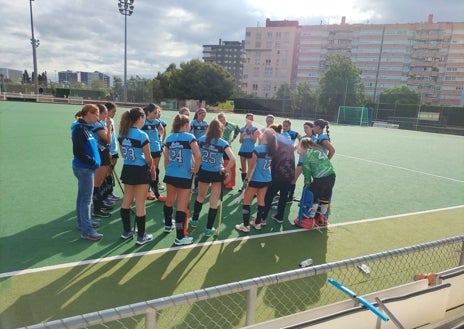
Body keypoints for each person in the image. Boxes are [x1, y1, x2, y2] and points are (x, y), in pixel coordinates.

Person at [190, 119, 236, 236]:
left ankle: (194, 221)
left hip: (204, 171)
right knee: (213, 202)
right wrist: (225, 170)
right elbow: (233, 159)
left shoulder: (201, 140)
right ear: (220, 130)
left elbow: (194, 155)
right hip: (217, 173)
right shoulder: (223, 142)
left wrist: (197, 166)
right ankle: (208, 228)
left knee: (200, 197)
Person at [163, 114, 201, 245]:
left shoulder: (169, 138)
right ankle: (179, 237)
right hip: (184, 175)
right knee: (181, 206)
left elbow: (166, 159)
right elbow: (198, 155)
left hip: (170, 173)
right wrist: (195, 169)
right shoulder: (190, 137)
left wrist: (169, 169)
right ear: (185, 125)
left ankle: (168, 225)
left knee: (169, 201)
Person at [118, 107, 153, 245]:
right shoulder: (142, 135)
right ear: (140, 118)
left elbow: (123, 154)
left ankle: (126, 232)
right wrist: (150, 166)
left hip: (127, 169)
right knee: (140, 204)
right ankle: (141, 236)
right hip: (140, 170)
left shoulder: (122, 134)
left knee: (126, 201)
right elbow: (149, 159)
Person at [71, 104, 103, 241]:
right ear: (89, 113)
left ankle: (84, 223)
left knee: (82, 198)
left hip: (86, 168)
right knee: (86, 200)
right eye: (96, 115)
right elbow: (78, 152)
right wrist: (92, 161)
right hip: (84, 168)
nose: (98, 118)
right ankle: (87, 231)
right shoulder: (79, 129)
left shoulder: (86, 128)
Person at [235, 129, 277, 233]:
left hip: (255, 179)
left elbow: (252, 166)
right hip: (266, 179)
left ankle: (245, 226)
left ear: (265, 137)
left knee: (246, 202)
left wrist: (247, 179)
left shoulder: (257, 149)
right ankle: (257, 223)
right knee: (261, 200)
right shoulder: (273, 149)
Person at [294, 138, 336, 228]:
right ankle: (322, 217)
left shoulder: (307, 154)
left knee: (313, 198)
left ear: (303, 147)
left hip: (321, 178)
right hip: (332, 176)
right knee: (325, 197)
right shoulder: (319, 151)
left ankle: (309, 218)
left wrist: (307, 183)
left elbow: (307, 171)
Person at [262, 123, 295, 224]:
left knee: (269, 195)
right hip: (290, 172)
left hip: (278, 173)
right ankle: (279, 216)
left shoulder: (275, 140)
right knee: (283, 196)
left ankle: (262, 219)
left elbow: (271, 157)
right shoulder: (287, 140)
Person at [91, 104, 113, 218]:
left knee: (100, 181)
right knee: (97, 183)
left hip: (103, 153)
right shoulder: (97, 125)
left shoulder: (99, 124)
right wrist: (109, 126)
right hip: (99, 154)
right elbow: (108, 138)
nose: (106, 115)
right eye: (104, 113)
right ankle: (97, 209)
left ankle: (100, 204)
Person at [142, 103, 167, 202]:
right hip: (148, 150)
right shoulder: (143, 122)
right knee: (148, 171)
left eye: (157, 113)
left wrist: (159, 138)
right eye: (154, 112)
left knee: (155, 170)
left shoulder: (156, 122)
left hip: (157, 148)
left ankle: (154, 192)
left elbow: (162, 129)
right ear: (148, 112)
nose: (156, 115)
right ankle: (147, 192)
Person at [288, 121, 316, 202]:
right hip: (301, 163)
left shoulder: (315, 139)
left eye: (306, 127)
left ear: (312, 128)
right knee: (293, 179)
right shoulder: (302, 138)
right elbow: (296, 148)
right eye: (304, 128)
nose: (305, 129)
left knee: (306, 182)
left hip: (309, 164)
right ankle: (290, 197)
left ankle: (303, 199)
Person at [238, 113, 260, 191]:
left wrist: (250, 134)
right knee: (243, 169)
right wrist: (243, 134)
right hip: (242, 150)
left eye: (251, 119)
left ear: (252, 120)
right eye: (248, 118)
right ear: (245, 119)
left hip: (250, 151)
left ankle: (249, 186)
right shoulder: (242, 128)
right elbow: (240, 141)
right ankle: (244, 185)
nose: (249, 120)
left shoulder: (254, 129)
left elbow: (254, 141)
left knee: (250, 168)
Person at [217, 112, 240, 189]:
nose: (222, 121)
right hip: (218, 146)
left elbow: (238, 128)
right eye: (220, 120)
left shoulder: (231, 125)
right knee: (218, 163)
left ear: (225, 118)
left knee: (229, 163)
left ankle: (228, 182)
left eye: (223, 119)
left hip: (227, 147)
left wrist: (234, 138)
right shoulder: (218, 125)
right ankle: (217, 181)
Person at [105, 102, 121, 202]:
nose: (114, 113)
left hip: (114, 150)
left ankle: (110, 192)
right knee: (106, 173)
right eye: (113, 111)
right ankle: (105, 194)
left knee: (110, 172)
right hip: (108, 152)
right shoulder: (104, 122)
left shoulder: (111, 120)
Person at [190, 108, 208, 193]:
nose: (203, 117)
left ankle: (197, 186)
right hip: (196, 146)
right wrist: (196, 143)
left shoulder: (205, 123)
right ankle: (193, 185)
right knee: (195, 165)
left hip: (203, 147)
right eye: (202, 115)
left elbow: (207, 134)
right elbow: (192, 134)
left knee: (201, 166)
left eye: (204, 115)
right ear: (198, 114)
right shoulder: (193, 123)